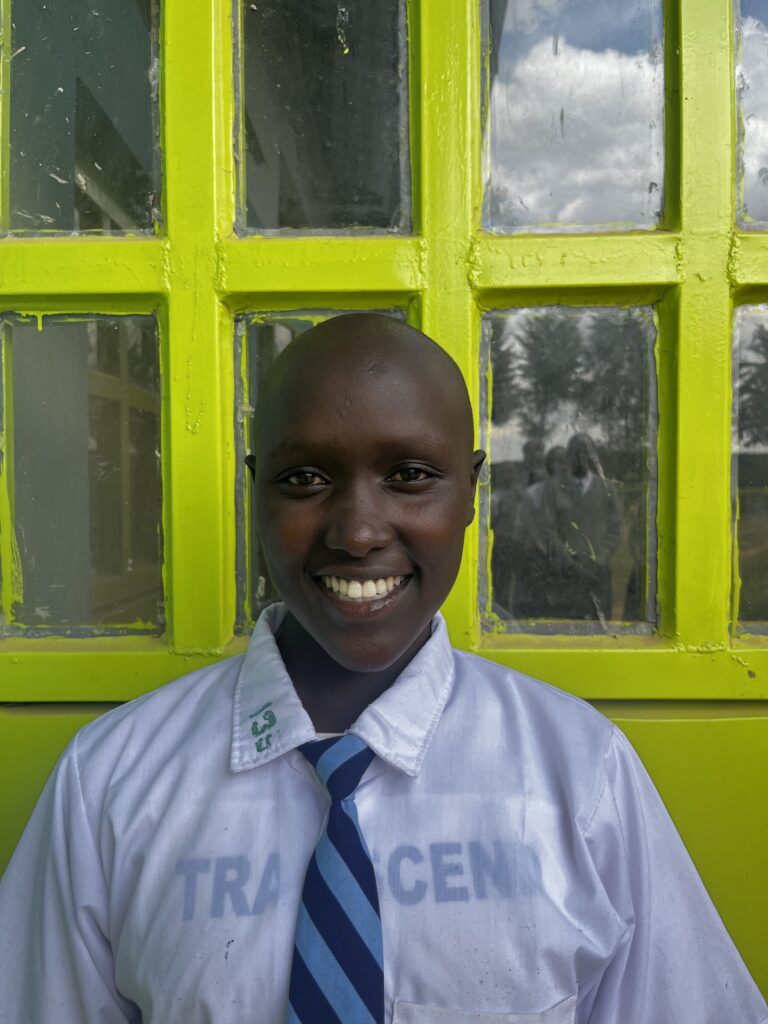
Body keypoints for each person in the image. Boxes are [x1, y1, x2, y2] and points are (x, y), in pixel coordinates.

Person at [0, 314, 766, 1024]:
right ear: (255, 489)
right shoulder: (111, 784)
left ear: (472, 492)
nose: (359, 531)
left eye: (409, 474)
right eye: (305, 479)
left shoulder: (579, 774)